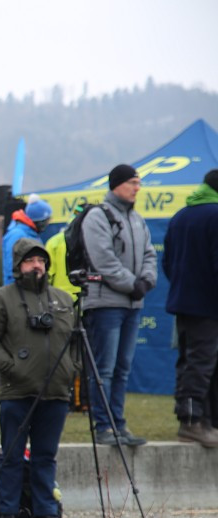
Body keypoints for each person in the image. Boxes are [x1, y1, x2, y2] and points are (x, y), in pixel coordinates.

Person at [0, 239, 75, 518]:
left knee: (46, 455)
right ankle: (7, 512)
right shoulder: (1, 297)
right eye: (31, 260)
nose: (37, 265)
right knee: (12, 454)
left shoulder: (63, 299)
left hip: (56, 391)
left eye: (41, 261)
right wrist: (10, 368)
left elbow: (78, 341)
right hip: (17, 391)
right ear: (19, 266)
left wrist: (73, 369)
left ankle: (46, 511)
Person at [80, 164, 157, 447]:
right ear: (117, 185)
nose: (137, 187)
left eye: (138, 183)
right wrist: (132, 284)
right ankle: (103, 426)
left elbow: (150, 254)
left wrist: (146, 281)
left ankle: (119, 424)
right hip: (106, 304)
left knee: (123, 368)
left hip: (132, 304)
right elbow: (104, 260)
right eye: (133, 182)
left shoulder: (137, 219)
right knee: (105, 369)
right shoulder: (98, 217)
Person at [162, 168, 218, 447]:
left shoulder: (181, 215)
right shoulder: (215, 215)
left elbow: (168, 263)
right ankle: (195, 422)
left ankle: (195, 418)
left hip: (184, 303)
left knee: (189, 360)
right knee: (203, 362)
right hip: (209, 306)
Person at [1, 194, 51, 287]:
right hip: (18, 291)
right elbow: (11, 266)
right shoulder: (17, 235)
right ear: (39, 221)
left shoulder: (31, 234)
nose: (48, 223)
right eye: (46, 220)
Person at [44, 204, 83, 300]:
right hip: (91, 301)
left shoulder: (54, 242)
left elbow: (47, 275)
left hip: (61, 302)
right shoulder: (99, 240)